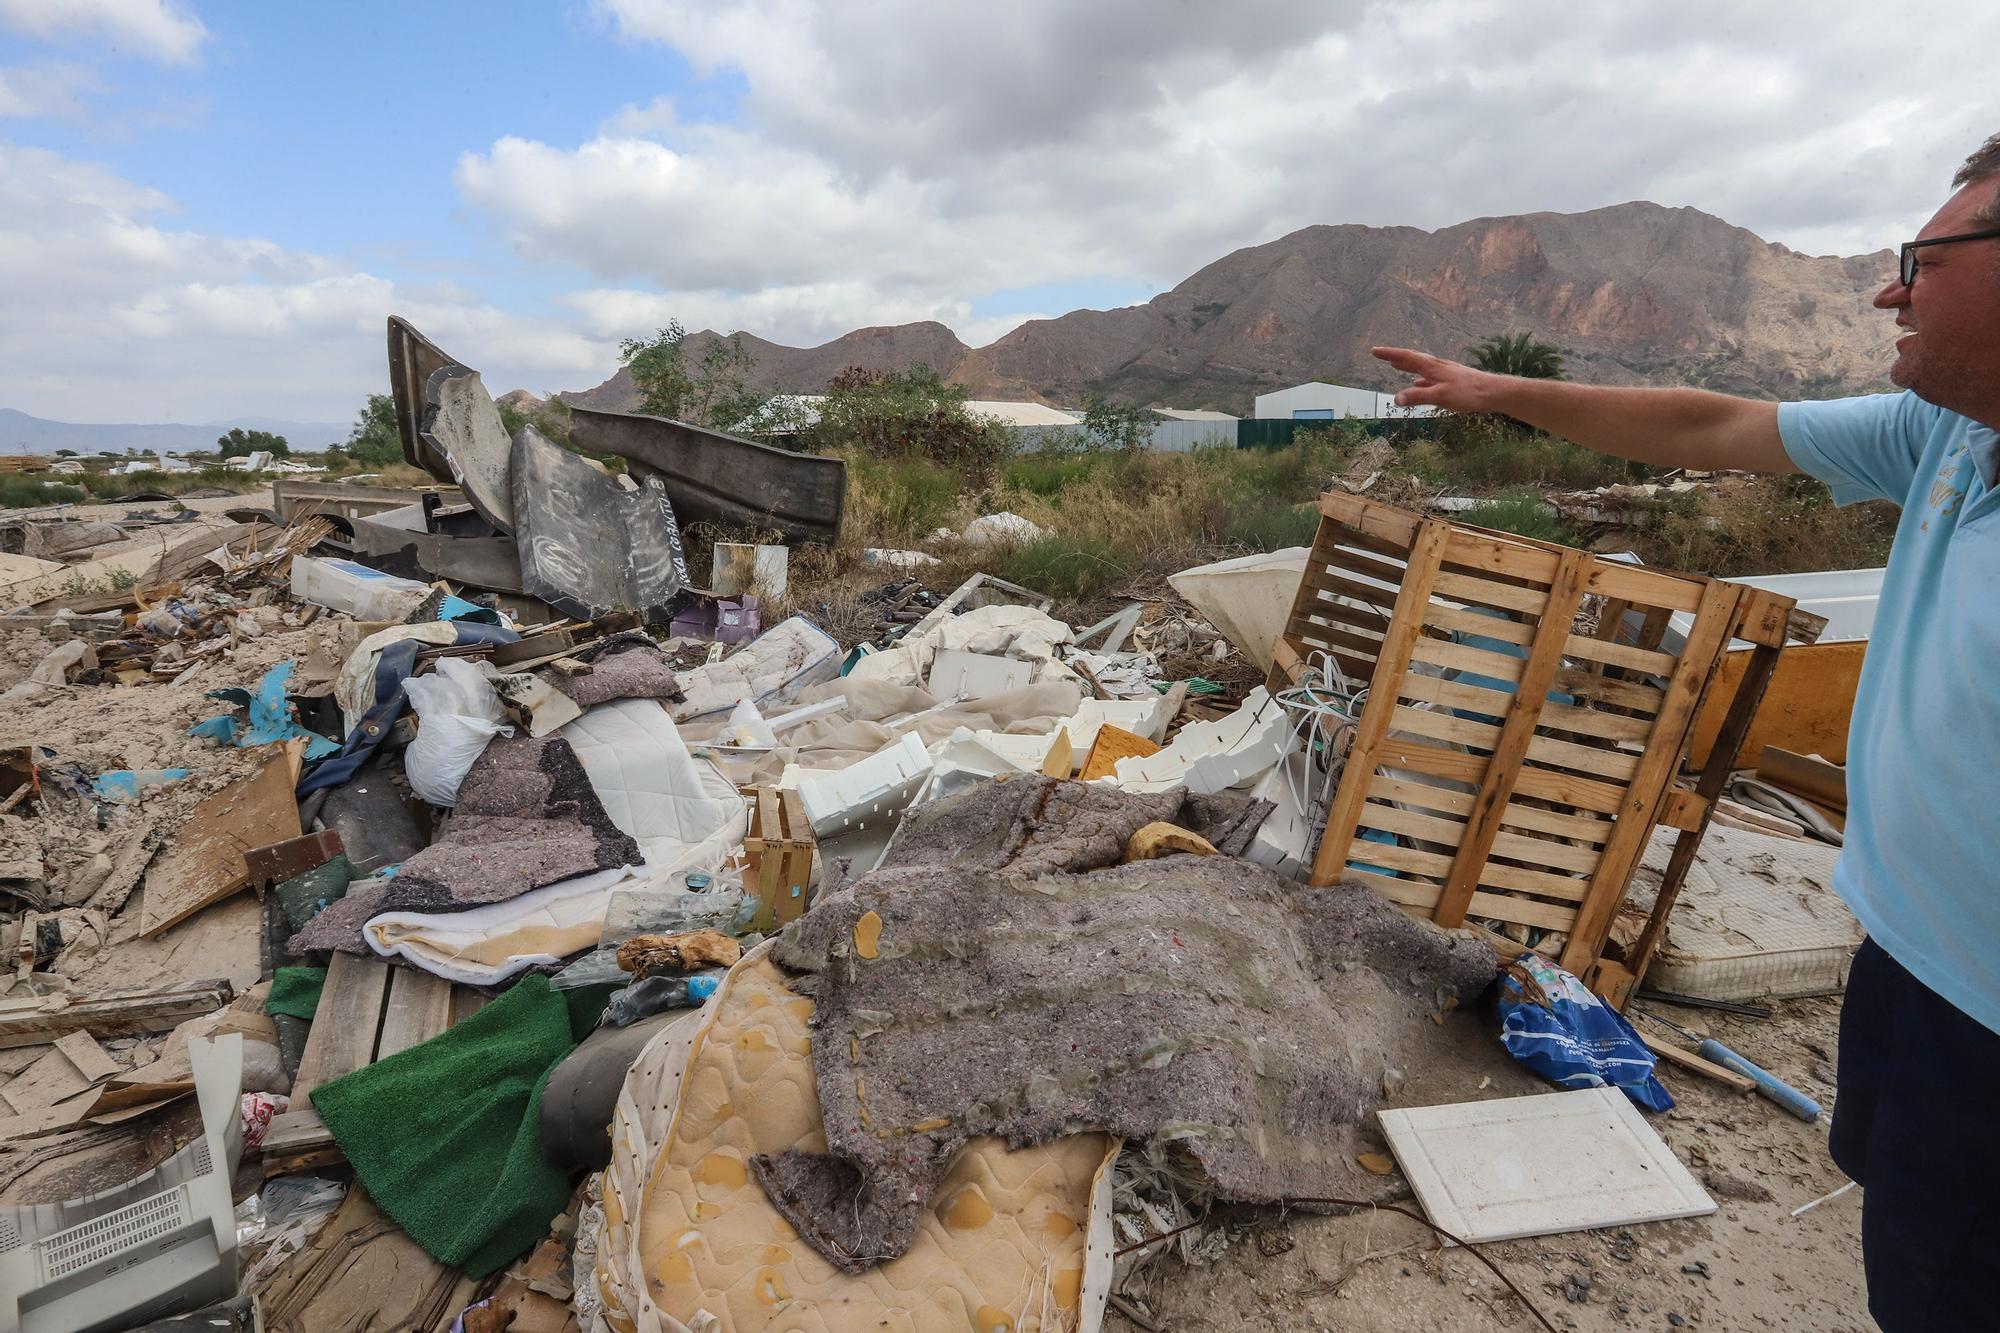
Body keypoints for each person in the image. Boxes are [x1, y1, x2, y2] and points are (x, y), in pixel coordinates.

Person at [1372, 132, 2000, 1331]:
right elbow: (1710, 426)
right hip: (1907, 956)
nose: (1888, 289)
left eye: (1923, 258)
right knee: (1908, 1246)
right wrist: (1495, 389)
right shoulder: (1949, 436)